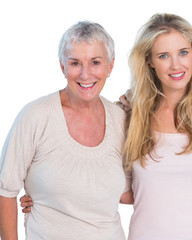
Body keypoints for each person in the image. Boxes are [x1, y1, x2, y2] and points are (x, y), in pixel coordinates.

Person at [0, 21, 132, 240]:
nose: (85, 74)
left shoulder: (121, 120)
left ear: (110, 66)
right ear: (62, 67)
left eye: (95, 62)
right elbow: (5, 192)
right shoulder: (36, 116)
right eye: (75, 63)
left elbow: (126, 193)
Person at [123, 13, 192, 240]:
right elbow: (111, 184)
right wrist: (44, 197)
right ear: (150, 61)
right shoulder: (132, 113)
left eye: (183, 52)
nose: (176, 65)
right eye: (163, 55)